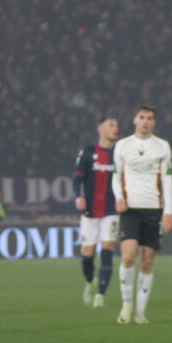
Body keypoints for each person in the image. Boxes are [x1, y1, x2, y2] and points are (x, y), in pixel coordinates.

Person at [112, 105, 172, 324]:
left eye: (149, 118)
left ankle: (140, 312)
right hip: (130, 209)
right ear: (134, 120)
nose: (145, 121)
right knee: (128, 256)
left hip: (153, 209)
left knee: (147, 261)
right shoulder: (122, 145)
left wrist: (168, 212)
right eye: (141, 117)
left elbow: (167, 180)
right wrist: (119, 196)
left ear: (154, 122)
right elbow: (116, 176)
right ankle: (126, 304)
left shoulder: (162, 146)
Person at [73, 117, 120, 307]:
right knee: (87, 256)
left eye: (116, 125)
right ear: (100, 129)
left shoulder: (120, 154)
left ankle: (100, 295)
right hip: (90, 211)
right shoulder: (88, 152)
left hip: (112, 210)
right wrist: (78, 196)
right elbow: (77, 179)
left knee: (107, 251)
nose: (115, 128)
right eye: (111, 125)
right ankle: (90, 281)